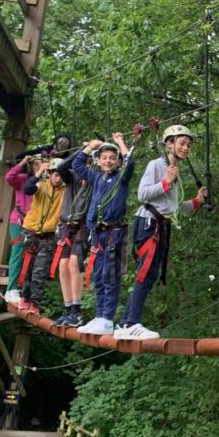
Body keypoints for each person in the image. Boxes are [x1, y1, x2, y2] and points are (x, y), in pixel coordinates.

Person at [115, 125, 208, 339]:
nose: (185, 148)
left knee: (150, 274)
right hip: (149, 223)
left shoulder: (175, 172)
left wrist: (197, 201)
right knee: (147, 272)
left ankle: (124, 324)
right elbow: (142, 193)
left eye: (188, 145)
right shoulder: (157, 165)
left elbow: (173, 206)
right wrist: (166, 181)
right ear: (169, 144)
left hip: (160, 225)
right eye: (182, 143)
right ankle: (132, 322)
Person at [72, 133, 134, 336]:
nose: (108, 161)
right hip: (97, 233)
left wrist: (120, 143)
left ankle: (107, 318)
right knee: (98, 275)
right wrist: (90, 146)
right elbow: (78, 164)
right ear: (98, 161)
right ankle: (100, 316)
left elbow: (129, 163)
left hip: (112, 233)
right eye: (104, 158)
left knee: (110, 275)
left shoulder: (120, 179)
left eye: (112, 158)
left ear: (117, 162)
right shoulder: (96, 177)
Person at [17, 158, 67, 314]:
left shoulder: (65, 191)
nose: (58, 179)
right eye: (55, 175)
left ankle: (35, 302)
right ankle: (25, 297)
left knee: (41, 270)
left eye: (61, 176)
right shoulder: (41, 186)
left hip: (49, 235)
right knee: (28, 266)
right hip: (31, 231)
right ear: (50, 174)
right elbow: (28, 189)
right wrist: (39, 171)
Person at [50, 148, 93, 327]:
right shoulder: (72, 177)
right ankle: (68, 308)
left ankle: (76, 309)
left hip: (82, 225)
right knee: (63, 266)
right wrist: (85, 148)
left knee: (75, 263)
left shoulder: (96, 179)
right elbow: (61, 167)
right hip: (67, 225)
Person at [3, 155, 38, 303]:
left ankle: (25, 289)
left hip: (35, 224)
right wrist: (23, 162)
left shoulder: (48, 183)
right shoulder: (23, 179)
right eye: (36, 165)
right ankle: (11, 289)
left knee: (32, 256)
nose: (39, 167)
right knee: (17, 251)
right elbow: (10, 177)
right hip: (19, 220)